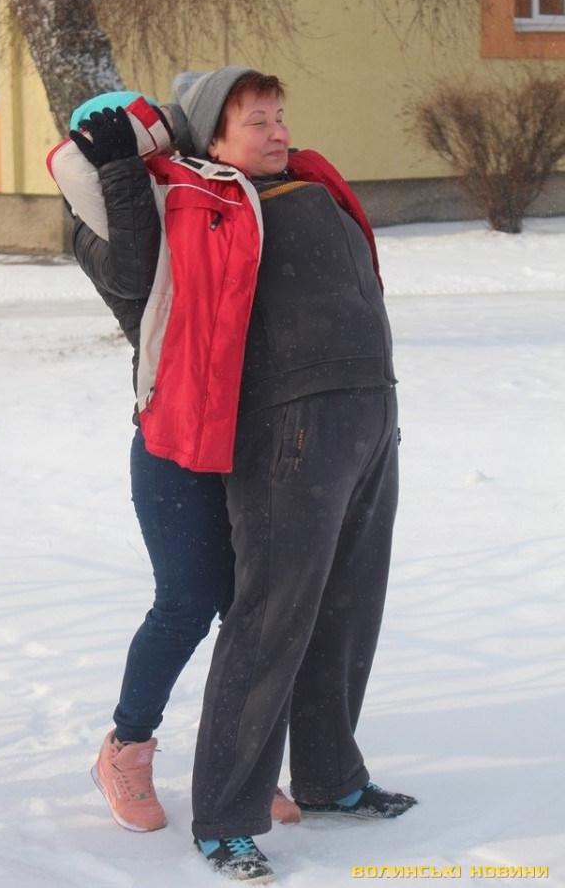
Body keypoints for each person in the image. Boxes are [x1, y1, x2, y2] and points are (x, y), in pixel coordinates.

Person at [130, 66, 416, 884]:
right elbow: (115, 218)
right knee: (270, 616)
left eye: (279, 116)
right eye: (256, 121)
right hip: (288, 428)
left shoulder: (310, 185)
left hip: (369, 414)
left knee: (348, 607)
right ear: (212, 139)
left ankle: (330, 776)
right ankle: (225, 818)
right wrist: (137, 144)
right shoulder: (204, 203)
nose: (278, 131)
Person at [46, 90, 300, 835]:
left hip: (248, 436)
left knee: (248, 606)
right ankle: (125, 748)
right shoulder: (99, 226)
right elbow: (136, 272)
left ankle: (242, 765)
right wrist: (119, 173)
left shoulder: (205, 196)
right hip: (172, 440)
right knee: (188, 599)